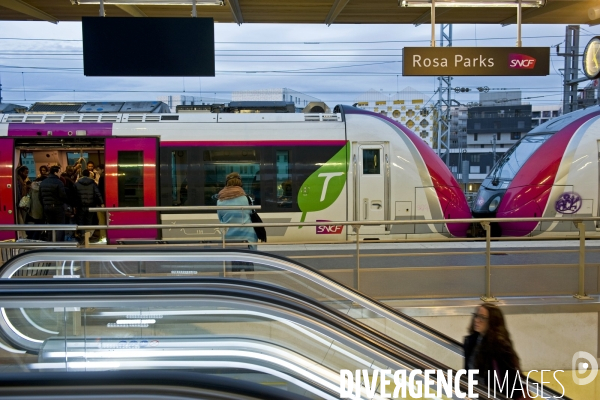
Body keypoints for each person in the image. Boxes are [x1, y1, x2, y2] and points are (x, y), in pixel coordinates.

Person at [464, 304, 527, 399]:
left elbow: (511, 379)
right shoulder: (472, 341)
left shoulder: (499, 346)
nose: (477, 320)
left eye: (482, 317)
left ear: (492, 322)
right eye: (476, 315)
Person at [217, 172, 257, 272]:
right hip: (247, 238)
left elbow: (220, 218)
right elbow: (252, 214)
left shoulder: (219, 201)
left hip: (230, 238)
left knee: (234, 268)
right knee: (249, 265)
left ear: (226, 184)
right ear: (240, 184)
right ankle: (250, 281)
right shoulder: (247, 199)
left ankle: (236, 279)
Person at [73, 169, 104, 243]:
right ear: (89, 175)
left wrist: (74, 206)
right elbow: (98, 193)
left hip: (80, 206)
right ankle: (88, 236)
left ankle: (83, 235)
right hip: (91, 205)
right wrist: (102, 203)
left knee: (80, 221)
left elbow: (74, 196)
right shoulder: (93, 183)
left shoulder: (77, 184)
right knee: (89, 220)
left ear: (82, 175)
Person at [39, 165, 67, 242]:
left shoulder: (43, 182)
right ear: (55, 172)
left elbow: (40, 197)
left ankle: (50, 242)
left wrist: (45, 204)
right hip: (57, 207)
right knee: (60, 226)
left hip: (46, 207)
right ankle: (58, 244)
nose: (60, 173)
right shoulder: (59, 182)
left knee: (50, 226)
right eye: (60, 171)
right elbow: (63, 196)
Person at [26, 176, 47, 240]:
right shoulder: (44, 187)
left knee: (34, 224)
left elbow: (28, 196)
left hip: (33, 209)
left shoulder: (32, 187)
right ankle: (35, 238)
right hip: (41, 208)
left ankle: (31, 237)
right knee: (40, 224)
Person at [16, 166, 30, 239]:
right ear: (21, 172)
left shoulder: (21, 181)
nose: (26, 175)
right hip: (20, 204)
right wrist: (20, 204)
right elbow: (18, 194)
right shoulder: (18, 181)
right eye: (25, 173)